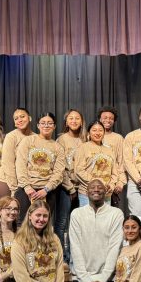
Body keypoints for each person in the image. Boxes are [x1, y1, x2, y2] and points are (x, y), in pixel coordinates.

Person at [15, 112, 66, 226]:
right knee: (22, 224)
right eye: (43, 123)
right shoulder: (27, 141)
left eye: (49, 123)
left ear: (54, 126)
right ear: (38, 125)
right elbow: (20, 165)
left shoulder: (58, 147)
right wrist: (27, 187)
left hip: (47, 191)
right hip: (26, 190)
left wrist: (46, 190)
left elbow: (58, 173)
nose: (46, 126)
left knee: (43, 225)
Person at [56, 109, 87, 257]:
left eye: (77, 118)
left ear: (82, 121)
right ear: (66, 122)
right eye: (71, 118)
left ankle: (77, 256)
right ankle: (62, 257)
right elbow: (59, 167)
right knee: (62, 223)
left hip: (82, 187)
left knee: (79, 224)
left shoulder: (86, 139)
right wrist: (70, 188)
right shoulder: (61, 140)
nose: (74, 121)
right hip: (65, 187)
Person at [74, 121, 122, 207]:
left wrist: (110, 185)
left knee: (104, 220)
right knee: (88, 220)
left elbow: (115, 173)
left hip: (106, 194)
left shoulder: (109, 150)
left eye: (100, 130)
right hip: (87, 193)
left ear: (104, 133)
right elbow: (79, 171)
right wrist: (99, 184)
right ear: (89, 133)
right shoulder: (83, 148)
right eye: (94, 130)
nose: (97, 133)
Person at [0, 107, 35, 201]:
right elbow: (8, 164)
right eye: (16, 118)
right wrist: (14, 189)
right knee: (7, 213)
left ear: (29, 118)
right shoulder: (11, 137)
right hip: (6, 182)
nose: (19, 120)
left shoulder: (35, 137)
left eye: (22, 116)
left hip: (25, 184)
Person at [98, 105, 126, 206]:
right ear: (100, 119)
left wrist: (120, 183)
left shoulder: (118, 138)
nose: (108, 120)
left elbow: (121, 162)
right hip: (95, 183)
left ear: (114, 121)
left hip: (112, 184)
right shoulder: (91, 136)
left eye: (111, 118)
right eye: (105, 118)